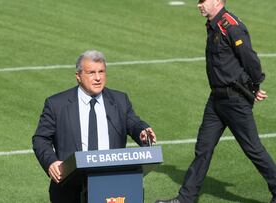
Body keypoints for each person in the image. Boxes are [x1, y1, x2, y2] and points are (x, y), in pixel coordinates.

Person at [156, 0, 276, 203]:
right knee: (203, 148)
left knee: (253, 149)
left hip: (235, 100)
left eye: (203, 0)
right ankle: (186, 198)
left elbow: (249, 58)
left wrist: (254, 85)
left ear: (218, 1)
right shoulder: (213, 25)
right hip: (217, 100)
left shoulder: (231, 26)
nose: (199, 5)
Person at [32, 50, 157, 203]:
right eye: (91, 73)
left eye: (101, 72)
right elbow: (40, 139)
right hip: (70, 188)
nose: (98, 78)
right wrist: (51, 162)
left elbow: (133, 122)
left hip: (112, 186)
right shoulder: (57, 104)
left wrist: (142, 131)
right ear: (78, 76)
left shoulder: (119, 100)